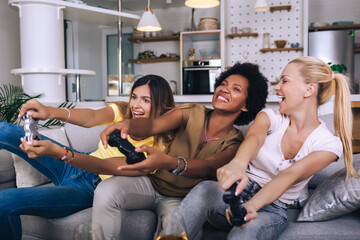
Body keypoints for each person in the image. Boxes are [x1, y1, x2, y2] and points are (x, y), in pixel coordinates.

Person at [166, 56, 358, 240]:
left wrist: (251, 206)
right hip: (240, 191)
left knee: (244, 232)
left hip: (273, 208)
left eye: (284, 81)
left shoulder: (329, 145)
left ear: (308, 90)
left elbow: (289, 175)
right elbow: (254, 139)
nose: (277, 87)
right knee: (206, 189)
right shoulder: (270, 116)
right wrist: (238, 164)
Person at [93, 62, 269, 239]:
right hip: (149, 185)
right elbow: (153, 125)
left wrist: (168, 162)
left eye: (236, 89)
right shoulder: (192, 111)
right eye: (223, 84)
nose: (224, 89)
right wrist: (127, 124)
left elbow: (207, 167)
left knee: (177, 231)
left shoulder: (235, 142)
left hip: (181, 199)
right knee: (106, 189)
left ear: (246, 105)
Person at [0, 74, 175, 240]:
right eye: (134, 97)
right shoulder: (124, 112)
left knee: (4, 202)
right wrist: (50, 111)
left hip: (90, 187)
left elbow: (103, 167)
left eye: (146, 100)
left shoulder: (160, 145)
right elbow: (92, 117)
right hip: (75, 164)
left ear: (161, 104)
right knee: (4, 129)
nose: (136, 105)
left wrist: (56, 151)